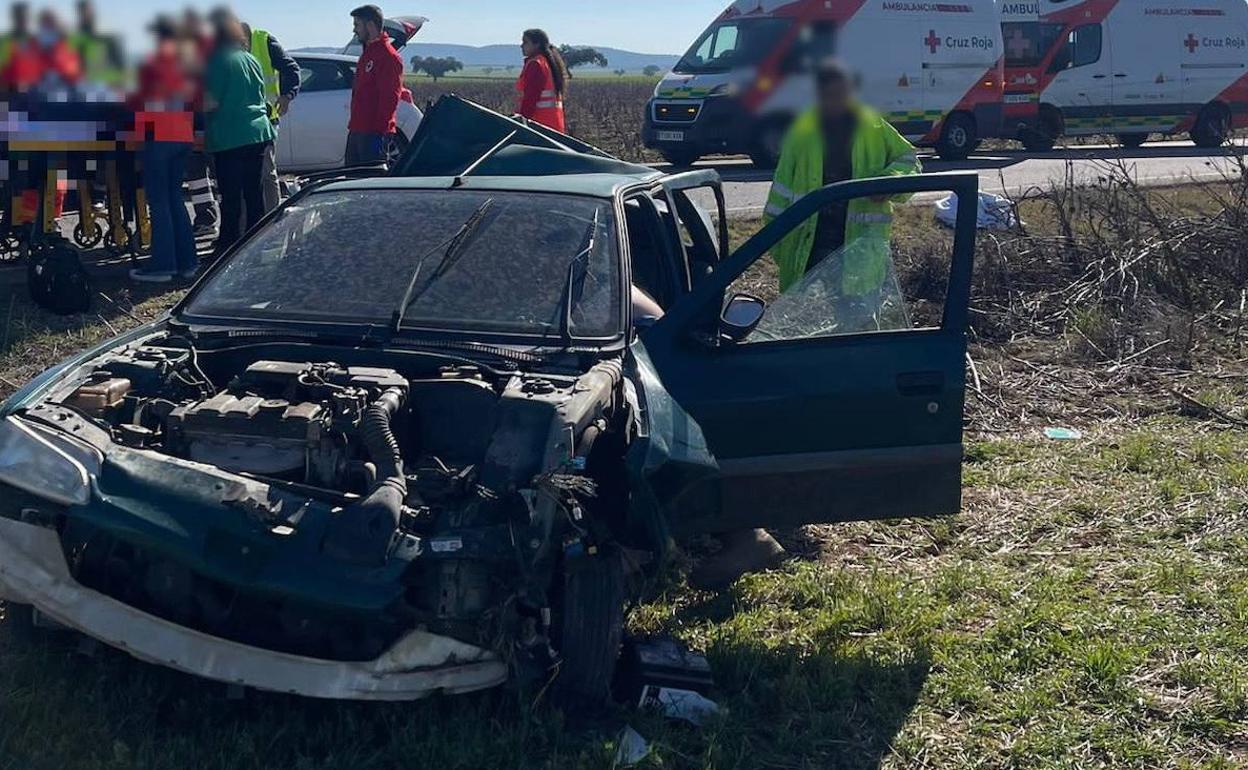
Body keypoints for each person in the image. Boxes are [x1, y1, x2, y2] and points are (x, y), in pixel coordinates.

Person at [690, 59, 921, 591]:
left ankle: (854, 417)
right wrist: (776, 242)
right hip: (807, 246)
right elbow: (783, 194)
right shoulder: (805, 130)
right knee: (793, 337)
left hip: (858, 251)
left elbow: (909, 163)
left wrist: (888, 185)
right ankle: (807, 408)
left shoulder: (870, 126)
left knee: (854, 334)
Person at [128, 15, 196, 283]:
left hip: (159, 135)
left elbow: (138, 101)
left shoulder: (152, 63)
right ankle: (187, 262)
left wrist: (134, 134)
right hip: (182, 133)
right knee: (175, 199)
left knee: (158, 201)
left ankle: (163, 265)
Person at [203, 8, 275, 256]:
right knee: (254, 194)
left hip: (230, 135)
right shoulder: (249, 58)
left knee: (231, 196)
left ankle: (228, 247)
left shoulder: (216, 61)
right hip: (257, 132)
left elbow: (210, 102)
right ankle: (257, 244)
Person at [240, 20, 299, 212]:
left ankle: (273, 217)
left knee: (267, 172)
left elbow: (291, 68)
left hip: (267, 118)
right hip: (244, 122)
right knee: (247, 175)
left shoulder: (264, 41)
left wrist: (287, 96)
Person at [345, 5, 402, 166]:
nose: (354, 30)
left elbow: (390, 97)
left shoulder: (388, 56)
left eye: (357, 25)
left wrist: (379, 132)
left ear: (370, 25)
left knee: (369, 179)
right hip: (357, 128)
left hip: (374, 133)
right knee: (351, 180)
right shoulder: (368, 53)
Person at [516, 29, 567, 133]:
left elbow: (530, 99)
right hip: (553, 125)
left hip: (538, 126)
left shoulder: (536, 64)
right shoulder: (548, 63)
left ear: (537, 44)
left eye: (525, 42)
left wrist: (521, 123)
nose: (521, 46)